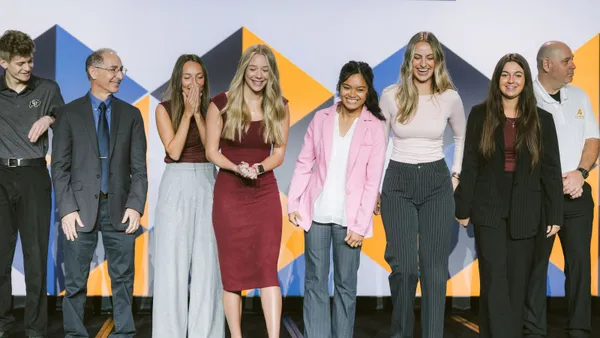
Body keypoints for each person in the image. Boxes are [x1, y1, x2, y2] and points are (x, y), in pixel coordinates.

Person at [454, 53, 563, 338]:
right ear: (497, 79)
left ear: (526, 81)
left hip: (528, 211)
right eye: (505, 74)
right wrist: (462, 207)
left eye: (517, 75)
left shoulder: (543, 120)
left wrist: (555, 213)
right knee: (493, 282)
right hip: (489, 209)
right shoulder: (480, 114)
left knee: (517, 284)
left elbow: (551, 170)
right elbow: (470, 164)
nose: (511, 80)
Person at [51, 48, 147, 338]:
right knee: (76, 280)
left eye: (121, 70)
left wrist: (136, 205)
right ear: (94, 72)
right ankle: (75, 333)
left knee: (122, 277)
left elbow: (139, 168)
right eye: (114, 69)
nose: (119, 75)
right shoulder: (68, 113)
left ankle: (124, 333)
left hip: (120, 207)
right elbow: (60, 166)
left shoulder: (131, 114)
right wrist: (67, 208)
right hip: (79, 209)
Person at [287, 61, 386, 338]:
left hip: (350, 220)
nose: (352, 94)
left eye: (360, 89)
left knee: (345, 286)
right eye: (347, 87)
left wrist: (360, 223)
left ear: (368, 92)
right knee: (315, 283)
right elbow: (304, 162)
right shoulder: (321, 119)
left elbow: (372, 180)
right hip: (316, 214)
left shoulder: (375, 126)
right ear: (339, 87)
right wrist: (294, 202)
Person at [378, 31, 466, 338]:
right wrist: (376, 188)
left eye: (430, 57)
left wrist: (455, 176)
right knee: (404, 269)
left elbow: (461, 136)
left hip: (436, 182)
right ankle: (400, 333)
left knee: (434, 272)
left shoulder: (450, 97)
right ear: (409, 61)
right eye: (418, 56)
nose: (423, 63)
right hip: (398, 181)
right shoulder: (391, 95)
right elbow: (378, 144)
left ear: (438, 61)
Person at [205, 44, 290, 338]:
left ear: (271, 73)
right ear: (243, 70)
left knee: (268, 268)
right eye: (253, 69)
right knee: (232, 274)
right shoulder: (221, 103)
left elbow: (278, 153)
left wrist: (259, 168)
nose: (258, 75)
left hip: (264, 192)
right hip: (230, 193)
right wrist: (236, 167)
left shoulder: (279, 105)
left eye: (265, 70)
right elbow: (211, 151)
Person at [524, 41, 600, 338]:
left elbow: (593, 140)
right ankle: (533, 330)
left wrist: (580, 173)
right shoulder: (525, 97)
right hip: (540, 198)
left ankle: (580, 329)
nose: (573, 65)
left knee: (580, 266)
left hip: (578, 196)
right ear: (547, 65)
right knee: (535, 266)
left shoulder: (579, 95)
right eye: (567, 60)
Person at [152, 54, 224, 338]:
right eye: (187, 77)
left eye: (199, 77)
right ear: (177, 80)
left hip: (208, 179)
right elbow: (173, 150)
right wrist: (186, 113)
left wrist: (198, 113)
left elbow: (212, 150)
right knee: (172, 265)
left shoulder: (214, 109)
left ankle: (206, 333)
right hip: (177, 183)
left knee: (208, 264)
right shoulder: (163, 108)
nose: (194, 83)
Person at [0, 29, 64, 338]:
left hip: (34, 175)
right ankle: (2, 323)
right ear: (3, 62)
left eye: (30, 61)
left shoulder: (48, 89)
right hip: (0, 176)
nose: (27, 68)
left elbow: (68, 120)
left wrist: (50, 119)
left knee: (35, 256)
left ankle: (36, 329)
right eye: (20, 63)